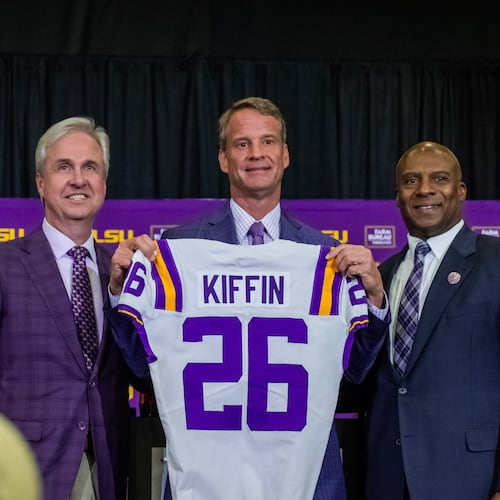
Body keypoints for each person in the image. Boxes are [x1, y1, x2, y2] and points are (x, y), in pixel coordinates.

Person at [108, 96, 389, 499]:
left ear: (286, 154)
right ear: (223, 159)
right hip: (205, 479)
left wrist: (375, 300)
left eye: (268, 142)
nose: (256, 154)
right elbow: (142, 367)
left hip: (304, 478)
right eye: (242, 144)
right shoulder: (174, 252)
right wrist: (122, 294)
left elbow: (356, 372)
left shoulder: (324, 257)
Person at [0, 116, 147, 500]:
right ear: (41, 183)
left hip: (108, 468)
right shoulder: (5, 265)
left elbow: (143, 375)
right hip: (22, 471)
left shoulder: (121, 273)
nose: (78, 179)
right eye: (64, 167)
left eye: (90, 167)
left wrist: (118, 297)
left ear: (103, 184)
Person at [362, 141, 500, 500]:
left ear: (461, 189)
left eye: (439, 178)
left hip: (471, 479)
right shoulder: (384, 274)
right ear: (397, 195)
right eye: (411, 181)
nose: (424, 190)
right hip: (388, 477)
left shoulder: (496, 262)